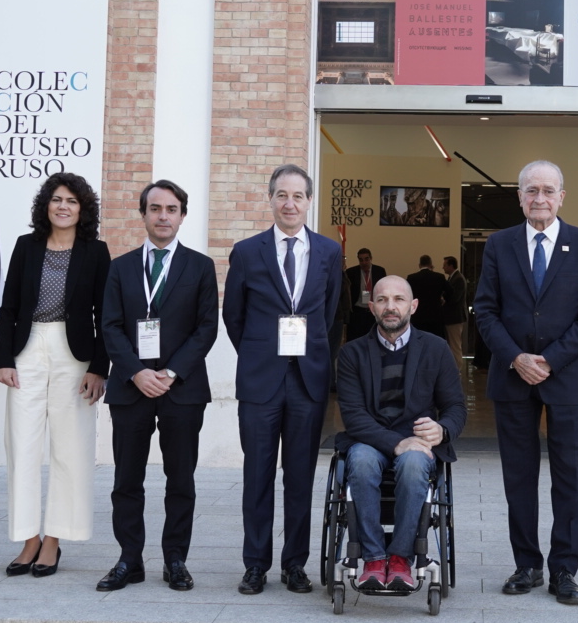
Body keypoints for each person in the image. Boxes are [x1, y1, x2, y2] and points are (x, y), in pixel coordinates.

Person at [473, 159, 578, 605]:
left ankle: (564, 570)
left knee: (570, 476)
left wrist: (550, 359)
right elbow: (485, 310)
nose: (540, 199)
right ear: (519, 197)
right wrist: (516, 358)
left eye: (548, 190)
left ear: (562, 197)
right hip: (512, 379)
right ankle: (526, 564)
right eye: (531, 190)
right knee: (519, 476)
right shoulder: (499, 244)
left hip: (565, 378)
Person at [94, 179, 219, 593]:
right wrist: (135, 372)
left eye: (171, 209)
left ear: (183, 215)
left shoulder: (201, 267)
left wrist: (169, 373)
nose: (162, 216)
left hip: (181, 390)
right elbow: (108, 325)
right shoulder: (121, 267)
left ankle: (175, 559)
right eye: (155, 208)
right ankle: (129, 559)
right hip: (131, 389)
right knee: (126, 480)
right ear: (143, 214)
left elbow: (206, 329)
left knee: (180, 478)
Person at [223, 164, 342, 595]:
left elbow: (330, 315)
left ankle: (294, 564)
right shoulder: (247, 251)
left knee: (300, 477)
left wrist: (307, 355)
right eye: (282, 195)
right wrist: (259, 353)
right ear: (270, 199)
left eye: (298, 196)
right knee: (257, 477)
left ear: (309, 201)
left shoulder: (329, 252)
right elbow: (233, 316)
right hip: (260, 382)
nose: (290, 203)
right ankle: (255, 564)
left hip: (307, 382)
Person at [0, 172, 110, 578]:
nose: (63, 206)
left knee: (70, 447)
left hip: (74, 354)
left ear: (83, 210)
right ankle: (28, 540)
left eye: (72, 201)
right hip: (27, 351)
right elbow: (8, 306)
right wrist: (3, 358)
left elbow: (105, 315)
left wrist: (99, 368)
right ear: (46, 205)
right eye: (57, 199)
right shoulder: (27, 247)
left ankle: (55, 540)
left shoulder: (96, 252)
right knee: (21, 445)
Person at [335, 276, 466, 591]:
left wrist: (442, 429)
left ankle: (401, 558)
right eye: (382, 300)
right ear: (371, 307)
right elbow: (353, 416)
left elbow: (455, 408)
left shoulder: (435, 349)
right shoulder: (352, 353)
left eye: (398, 299)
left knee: (413, 463)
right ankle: (374, 558)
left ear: (413, 306)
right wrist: (397, 442)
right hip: (369, 438)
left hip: (417, 441)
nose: (390, 307)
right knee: (362, 462)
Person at [340, 248, 385, 343]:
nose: (364, 262)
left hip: (374, 312)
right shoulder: (351, 272)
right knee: (355, 340)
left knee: (374, 340)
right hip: (357, 312)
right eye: (361, 260)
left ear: (371, 258)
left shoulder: (380, 271)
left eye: (366, 259)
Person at [406, 254, 450, 338]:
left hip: (418, 316)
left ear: (419, 265)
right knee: (436, 342)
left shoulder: (411, 278)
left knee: (418, 341)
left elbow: (406, 294)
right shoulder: (439, 277)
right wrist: (443, 300)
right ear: (431, 265)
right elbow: (451, 292)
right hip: (435, 316)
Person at [441, 255, 467, 367]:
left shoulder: (458, 279)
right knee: (452, 345)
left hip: (454, 318)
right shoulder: (453, 278)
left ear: (451, 266)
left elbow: (454, 298)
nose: (443, 268)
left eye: (445, 265)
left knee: (455, 345)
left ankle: (457, 369)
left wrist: (443, 298)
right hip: (451, 317)